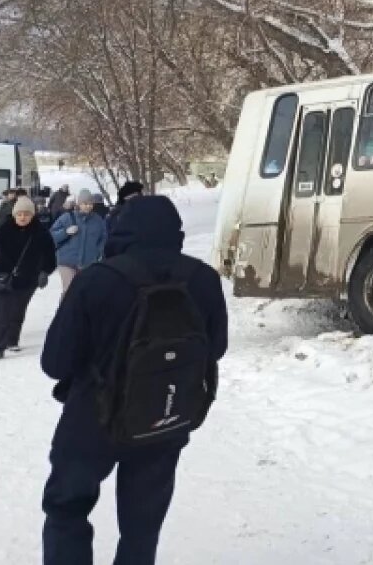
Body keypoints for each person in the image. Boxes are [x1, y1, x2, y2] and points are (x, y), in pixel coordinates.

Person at [41, 196, 228, 565]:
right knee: (143, 524)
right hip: (165, 414)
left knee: (68, 509)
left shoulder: (97, 278)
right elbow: (216, 348)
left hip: (92, 417)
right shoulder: (202, 278)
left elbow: (55, 362)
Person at [0, 195, 56, 358]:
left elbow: (50, 257)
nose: (23, 217)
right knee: (1, 313)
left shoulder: (41, 233)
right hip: (2, 278)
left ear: (32, 215)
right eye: (19, 214)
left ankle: (12, 340)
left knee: (18, 311)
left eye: (26, 214)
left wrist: (45, 272)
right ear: (14, 214)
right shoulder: (2, 231)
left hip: (27, 279)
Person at [50, 190, 108, 298]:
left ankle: (81, 314)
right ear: (79, 204)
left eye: (90, 204)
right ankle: (65, 313)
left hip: (88, 262)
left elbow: (103, 238)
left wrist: (99, 252)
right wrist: (65, 232)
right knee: (69, 291)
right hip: (67, 261)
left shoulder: (98, 220)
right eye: (85, 203)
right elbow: (51, 236)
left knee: (84, 292)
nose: (88, 206)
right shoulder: (67, 217)